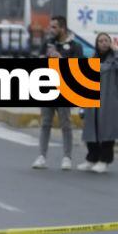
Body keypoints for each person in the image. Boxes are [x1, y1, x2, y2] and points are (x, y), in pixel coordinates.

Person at [32, 15, 83, 171]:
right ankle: (42, 156)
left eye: (54, 27)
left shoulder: (75, 46)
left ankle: (67, 157)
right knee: (45, 123)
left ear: (63, 28)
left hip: (65, 89)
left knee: (65, 123)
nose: (51, 29)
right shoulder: (47, 43)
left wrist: (60, 58)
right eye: (50, 26)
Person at [78, 32, 118, 173]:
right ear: (97, 44)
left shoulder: (114, 59)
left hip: (108, 101)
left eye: (106, 40)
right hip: (92, 101)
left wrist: (117, 51)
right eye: (101, 41)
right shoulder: (93, 59)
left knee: (107, 131)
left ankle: (104, 160)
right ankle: (91, 158)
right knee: (91, 130)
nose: (104, 43)